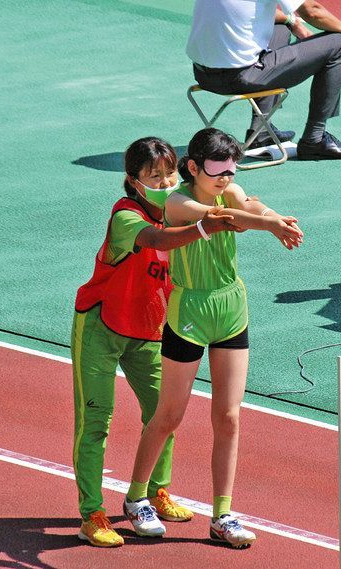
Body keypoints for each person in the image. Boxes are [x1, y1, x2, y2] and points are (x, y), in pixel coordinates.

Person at [123, 128, 303, 548]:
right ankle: (135, 498)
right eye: (217, 170)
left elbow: (248, 204)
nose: (225, 178)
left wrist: (273, 216)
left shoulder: (231, 188)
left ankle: (222, 515)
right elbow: (224, 219)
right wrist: (267, 223)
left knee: (229, 416)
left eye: (230, 170)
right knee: (169, 416)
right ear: (193, 168)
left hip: (231, 311)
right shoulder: (177, 200)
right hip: (189, 313)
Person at [73, 137, 235, 547]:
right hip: (101, 326)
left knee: (164, 415)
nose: (164, 181)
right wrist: (203, 226)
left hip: (150, 330)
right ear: (133, 180)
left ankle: (155, 491)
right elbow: (159, 241)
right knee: (96, 421)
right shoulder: (127, 216)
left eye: (168, 173)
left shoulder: (182, 206)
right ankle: (92, 513)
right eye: (153, 176)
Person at [186, 0, 341, 160]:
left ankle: (261, 131)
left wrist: (293, 22)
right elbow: (312, 10)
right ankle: (315, 139)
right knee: (338, 43)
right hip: (239, 77)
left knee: (280, 28)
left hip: (203, 75)